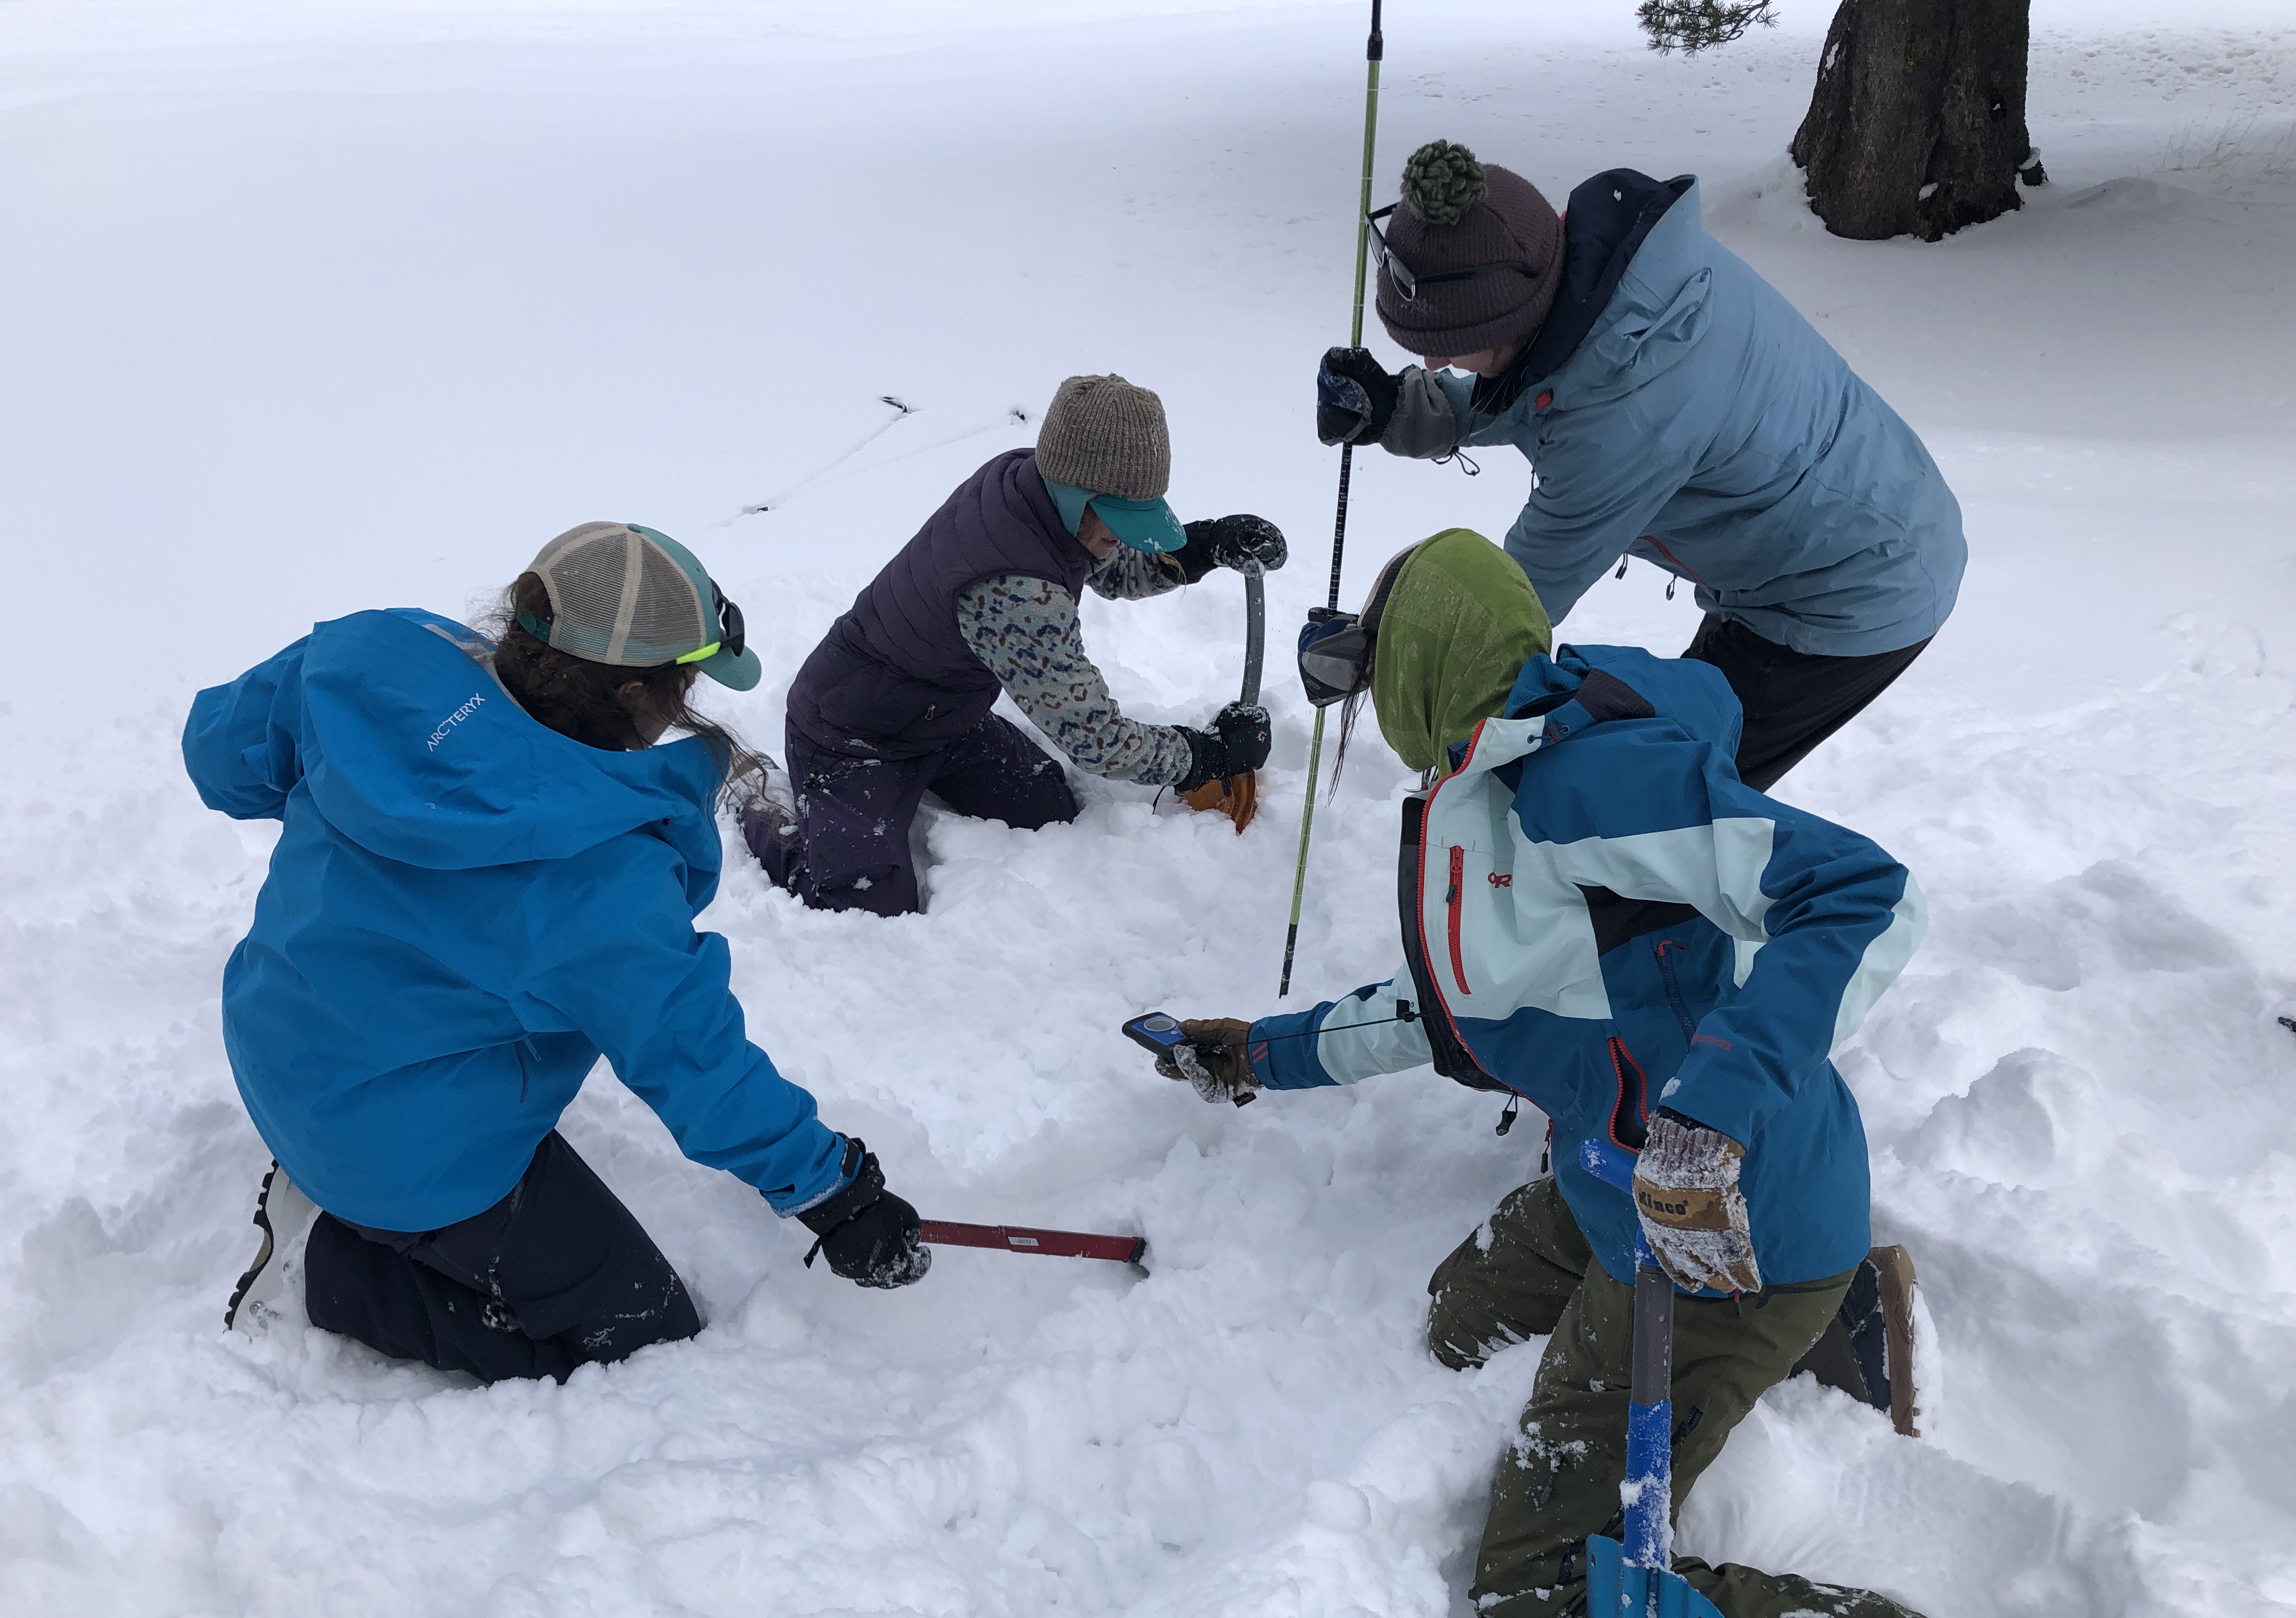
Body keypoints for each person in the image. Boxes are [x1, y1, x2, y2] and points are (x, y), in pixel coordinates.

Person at [1161, 530, 2106, 1618]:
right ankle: (1831, 1313)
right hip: (1618, 1175)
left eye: (1371, 664)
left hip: (1723, 1221)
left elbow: (1859, 891)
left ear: (1423, 665)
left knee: (1537, 1599)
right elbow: (1454, 1003)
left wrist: (1710, 1111)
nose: (1361, 701)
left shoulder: (1586, 785)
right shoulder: (1489, 783)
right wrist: (1261, 1053)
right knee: (1459, 1321)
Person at [185, 521, 930, 1386]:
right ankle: (336, 1270)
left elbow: (221, 757)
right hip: (394, 1153)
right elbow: (693, 1061)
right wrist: (834, 1196)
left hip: (280, 1039)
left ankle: (345, 1180)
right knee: (643, 1339)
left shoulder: (375, 657)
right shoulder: (596, 874)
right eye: (684, 679)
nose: (686, 700)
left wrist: (376, 793)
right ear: (631, 695)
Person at [1315, 140, 1965, 792]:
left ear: (1513, 314)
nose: (1432, 365)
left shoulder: (1624, 416)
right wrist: (1398, 410)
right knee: (1650, 786)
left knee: (1667, 809)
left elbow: (1503, 604)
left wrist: (1373, 652)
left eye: (1450, 347)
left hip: (1853, 586)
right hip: (1835, 518)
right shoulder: (1603, 276)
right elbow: (1543, 380)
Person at [752, 373, 1283, 915]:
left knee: (1052, 814)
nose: (1125, 539)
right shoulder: (1015, 591)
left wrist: (1201, 548)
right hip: (851, 732)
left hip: (947, 717)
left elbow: (1110, 567)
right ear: (1077, 495)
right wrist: (1205, 755)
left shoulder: (1035, 483)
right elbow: (1096, 739)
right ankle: (765, 809)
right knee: (865, 908)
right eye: (1121, 522)